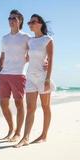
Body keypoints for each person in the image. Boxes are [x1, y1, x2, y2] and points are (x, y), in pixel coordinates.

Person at [15, 14, 55, 148]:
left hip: (43, 78)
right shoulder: (30, 41)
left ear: (40, 24)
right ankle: (25, 137)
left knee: (45, 107)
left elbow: (51, 60)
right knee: (31, 108)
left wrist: (48, 78)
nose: (30, 24)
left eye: (33, 22)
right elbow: (27, 58)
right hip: (30, 77)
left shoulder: (47, 39)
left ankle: (44, 135)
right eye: (29, 22)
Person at [0, 9, 30, 142]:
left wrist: (25, 62)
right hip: (4, 74)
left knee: (18, 104)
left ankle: (18, 132)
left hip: (18, 74)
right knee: (3, 103)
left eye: (14, 19)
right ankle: (11, 128)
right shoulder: (4, 38)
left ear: (20, 21)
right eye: (9, 18)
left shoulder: (26, 37)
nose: (11, 21)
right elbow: (2, 56)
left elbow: (34, 53)